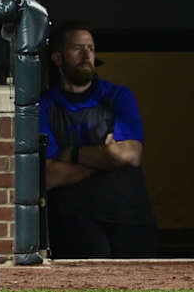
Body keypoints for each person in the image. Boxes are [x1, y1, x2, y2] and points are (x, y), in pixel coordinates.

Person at [41, 22, 157, 259]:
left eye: (91, 49)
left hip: (130, 215)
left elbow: (130, 155)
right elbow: (48, 175)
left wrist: (71, 154)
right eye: (77, 49)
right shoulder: (44, 105)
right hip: (74, 220)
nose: (87, 56)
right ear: (57, 58)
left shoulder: (118, 96)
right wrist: (105, 157)